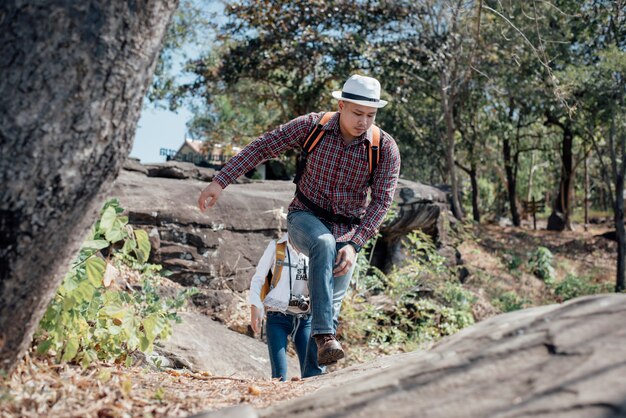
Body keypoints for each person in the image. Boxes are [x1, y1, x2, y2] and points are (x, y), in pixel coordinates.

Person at [198, 74, 401, 376]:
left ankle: (312, 380)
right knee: (323, 244)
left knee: (330, 306)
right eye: (357, 113)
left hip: (348, 231)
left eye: (370, 115)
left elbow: (382, 201)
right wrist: (220, 180)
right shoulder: (313, 126)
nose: (364, 121)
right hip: (304, 217)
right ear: (341, 104)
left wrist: (356, 245)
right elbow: (264, 146)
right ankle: (324, 334)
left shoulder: (383, 148)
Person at [249, 232, 314, 381]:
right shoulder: (277, 247)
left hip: (305, 319)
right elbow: (258, 278)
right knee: (279, 376)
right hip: (277, 316)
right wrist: (255, 306)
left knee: (311, 373)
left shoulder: (314, 249)